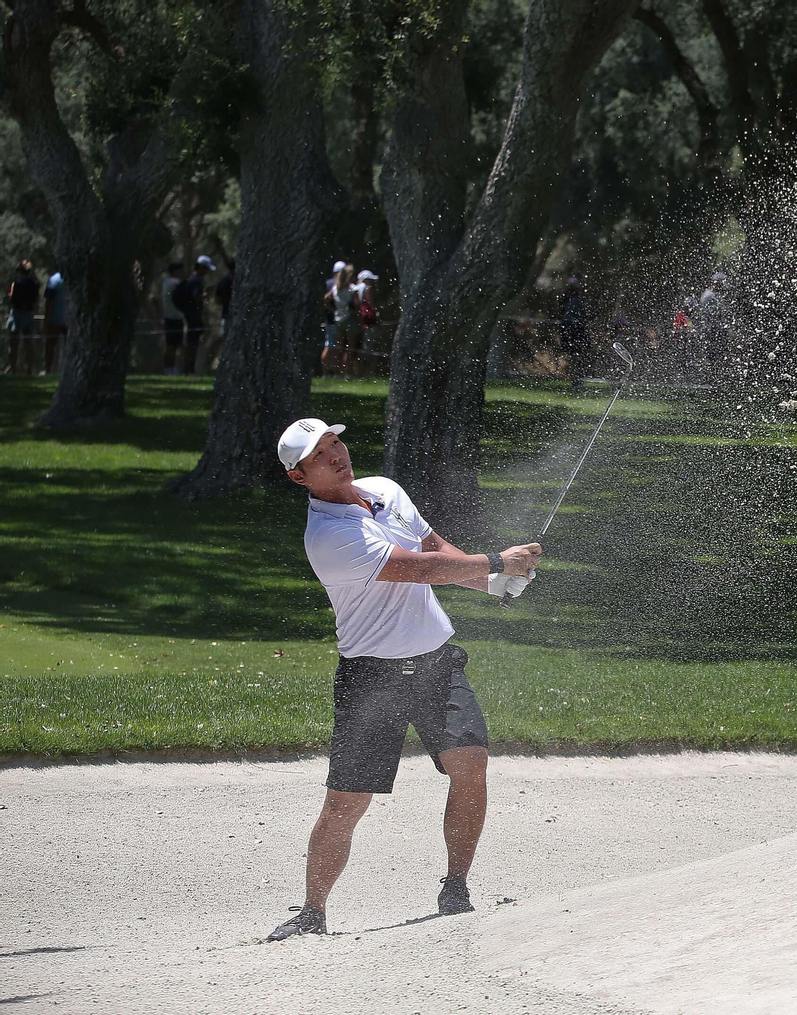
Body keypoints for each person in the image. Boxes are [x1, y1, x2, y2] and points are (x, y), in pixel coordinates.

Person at [265, 417, 543, 941]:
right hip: (372, 677)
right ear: (299, 477)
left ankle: (456, 888)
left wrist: (494, 581)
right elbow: (416, 569)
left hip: (436, 662)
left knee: (471, 765)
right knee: (347, 800)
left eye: (335, 443)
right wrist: (496, 561)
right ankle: (312, 912)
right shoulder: (329, 536)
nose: (336, 455)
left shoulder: (385, 491)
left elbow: (436, 551)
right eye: (319, 454)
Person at [176, 255, 214, 374]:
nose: (207, 272)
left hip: (191, 315)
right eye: (206, 269)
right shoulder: (196, 281)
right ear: (201, 267)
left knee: (192, 343)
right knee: (192, 344)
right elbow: (197, 297)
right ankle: (189, 369)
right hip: (193, 316)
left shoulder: (191, 279)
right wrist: (207, 294)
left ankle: (188, 369)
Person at [6, 260, 40, 375]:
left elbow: (12, 299)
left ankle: (13, 369)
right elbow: (35, 300)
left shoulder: (16, 283)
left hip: (17, 313)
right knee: (28, 343)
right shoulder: (34, 283)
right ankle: (29, 369)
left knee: (13, 343)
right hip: (28, 313)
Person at [324, 264, 359, 377]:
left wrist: (334, 310)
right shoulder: (352, 288)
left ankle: (336, 371)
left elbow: (325, 299)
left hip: (338, 319)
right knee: (350, 348)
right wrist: (354, 311)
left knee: (339, 348)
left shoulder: (335, 288)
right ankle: (347, 372)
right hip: (349, 319)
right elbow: (356, 305)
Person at [559, 275, 589, 392]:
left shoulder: (569, 298)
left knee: (576, 356)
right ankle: (576, 380)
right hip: (574, 327)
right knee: (577, 356)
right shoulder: (574, 299)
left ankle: (577, 380)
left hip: (570, 327)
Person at [320, 260, 345, 375]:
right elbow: (325, 301)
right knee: (331, 345)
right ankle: (328, 372)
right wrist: (335, 311)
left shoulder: (328, 283)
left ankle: (331, 372)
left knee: (333, 345)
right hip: (334, 319)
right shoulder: (336, 284)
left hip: (331, 318)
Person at [160, 263, 186, 374]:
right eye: (180, 270)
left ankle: (170, 367)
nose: (182, 273)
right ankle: (169, 368)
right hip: (175, 317)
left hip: (168, 317)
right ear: (175, 271)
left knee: (171, 345)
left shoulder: (166, 282)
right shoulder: (176, 283)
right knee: (172, 345)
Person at [41, 269, 66, 374]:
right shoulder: (74, 280)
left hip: (55, 319)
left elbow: (48, 302)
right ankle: (67, 370)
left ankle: (48, 369)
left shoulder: (53, 280)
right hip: (69, 320)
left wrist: (46, 318)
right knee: (69, 347)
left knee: (50, 346)